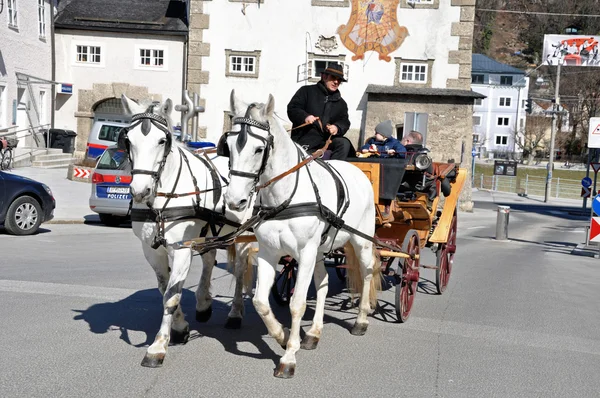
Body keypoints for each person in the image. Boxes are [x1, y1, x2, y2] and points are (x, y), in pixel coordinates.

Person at [287, 63, 354, 160]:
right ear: (324, 76)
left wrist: (337, 127)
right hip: (304, 139)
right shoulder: (306, 91)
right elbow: (293, 108)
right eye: (333, 78)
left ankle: (333, 171)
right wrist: (305, 117)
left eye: (339, 80)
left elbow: (344, 121)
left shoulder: (341, 103)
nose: (336, 82)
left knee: (344, 143)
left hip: (326, 142)